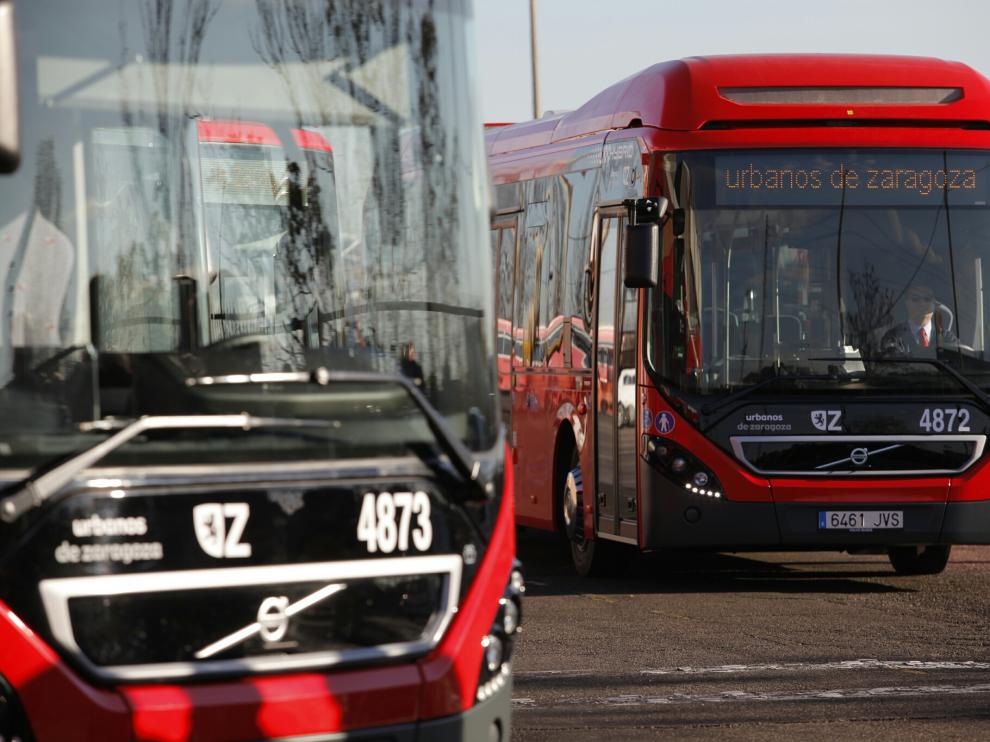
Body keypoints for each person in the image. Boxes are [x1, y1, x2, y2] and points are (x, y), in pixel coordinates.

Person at [880, 285, 957, 355]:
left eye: (927, 299)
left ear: (934, 304)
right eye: (915, 299)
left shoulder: (947, 338)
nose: (922, 304)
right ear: (907, 304)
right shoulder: (894, 336)